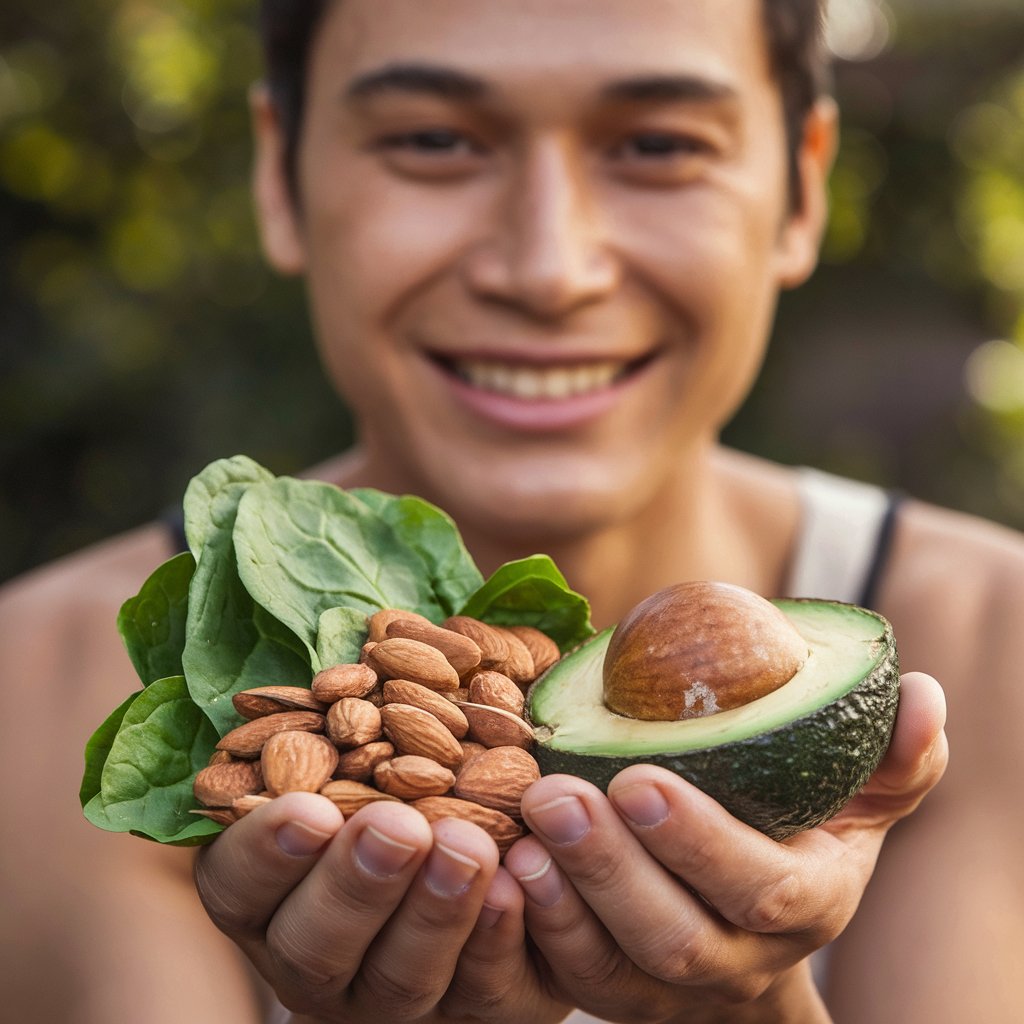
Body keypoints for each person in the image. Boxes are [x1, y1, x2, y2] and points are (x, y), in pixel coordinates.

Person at [1, 0, 1021, 1021]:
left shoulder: (997, 645)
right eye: (432, 140)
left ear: (802, 188)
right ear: (281, 176)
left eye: (659, 144)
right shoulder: (29, 693)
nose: (548, 269)